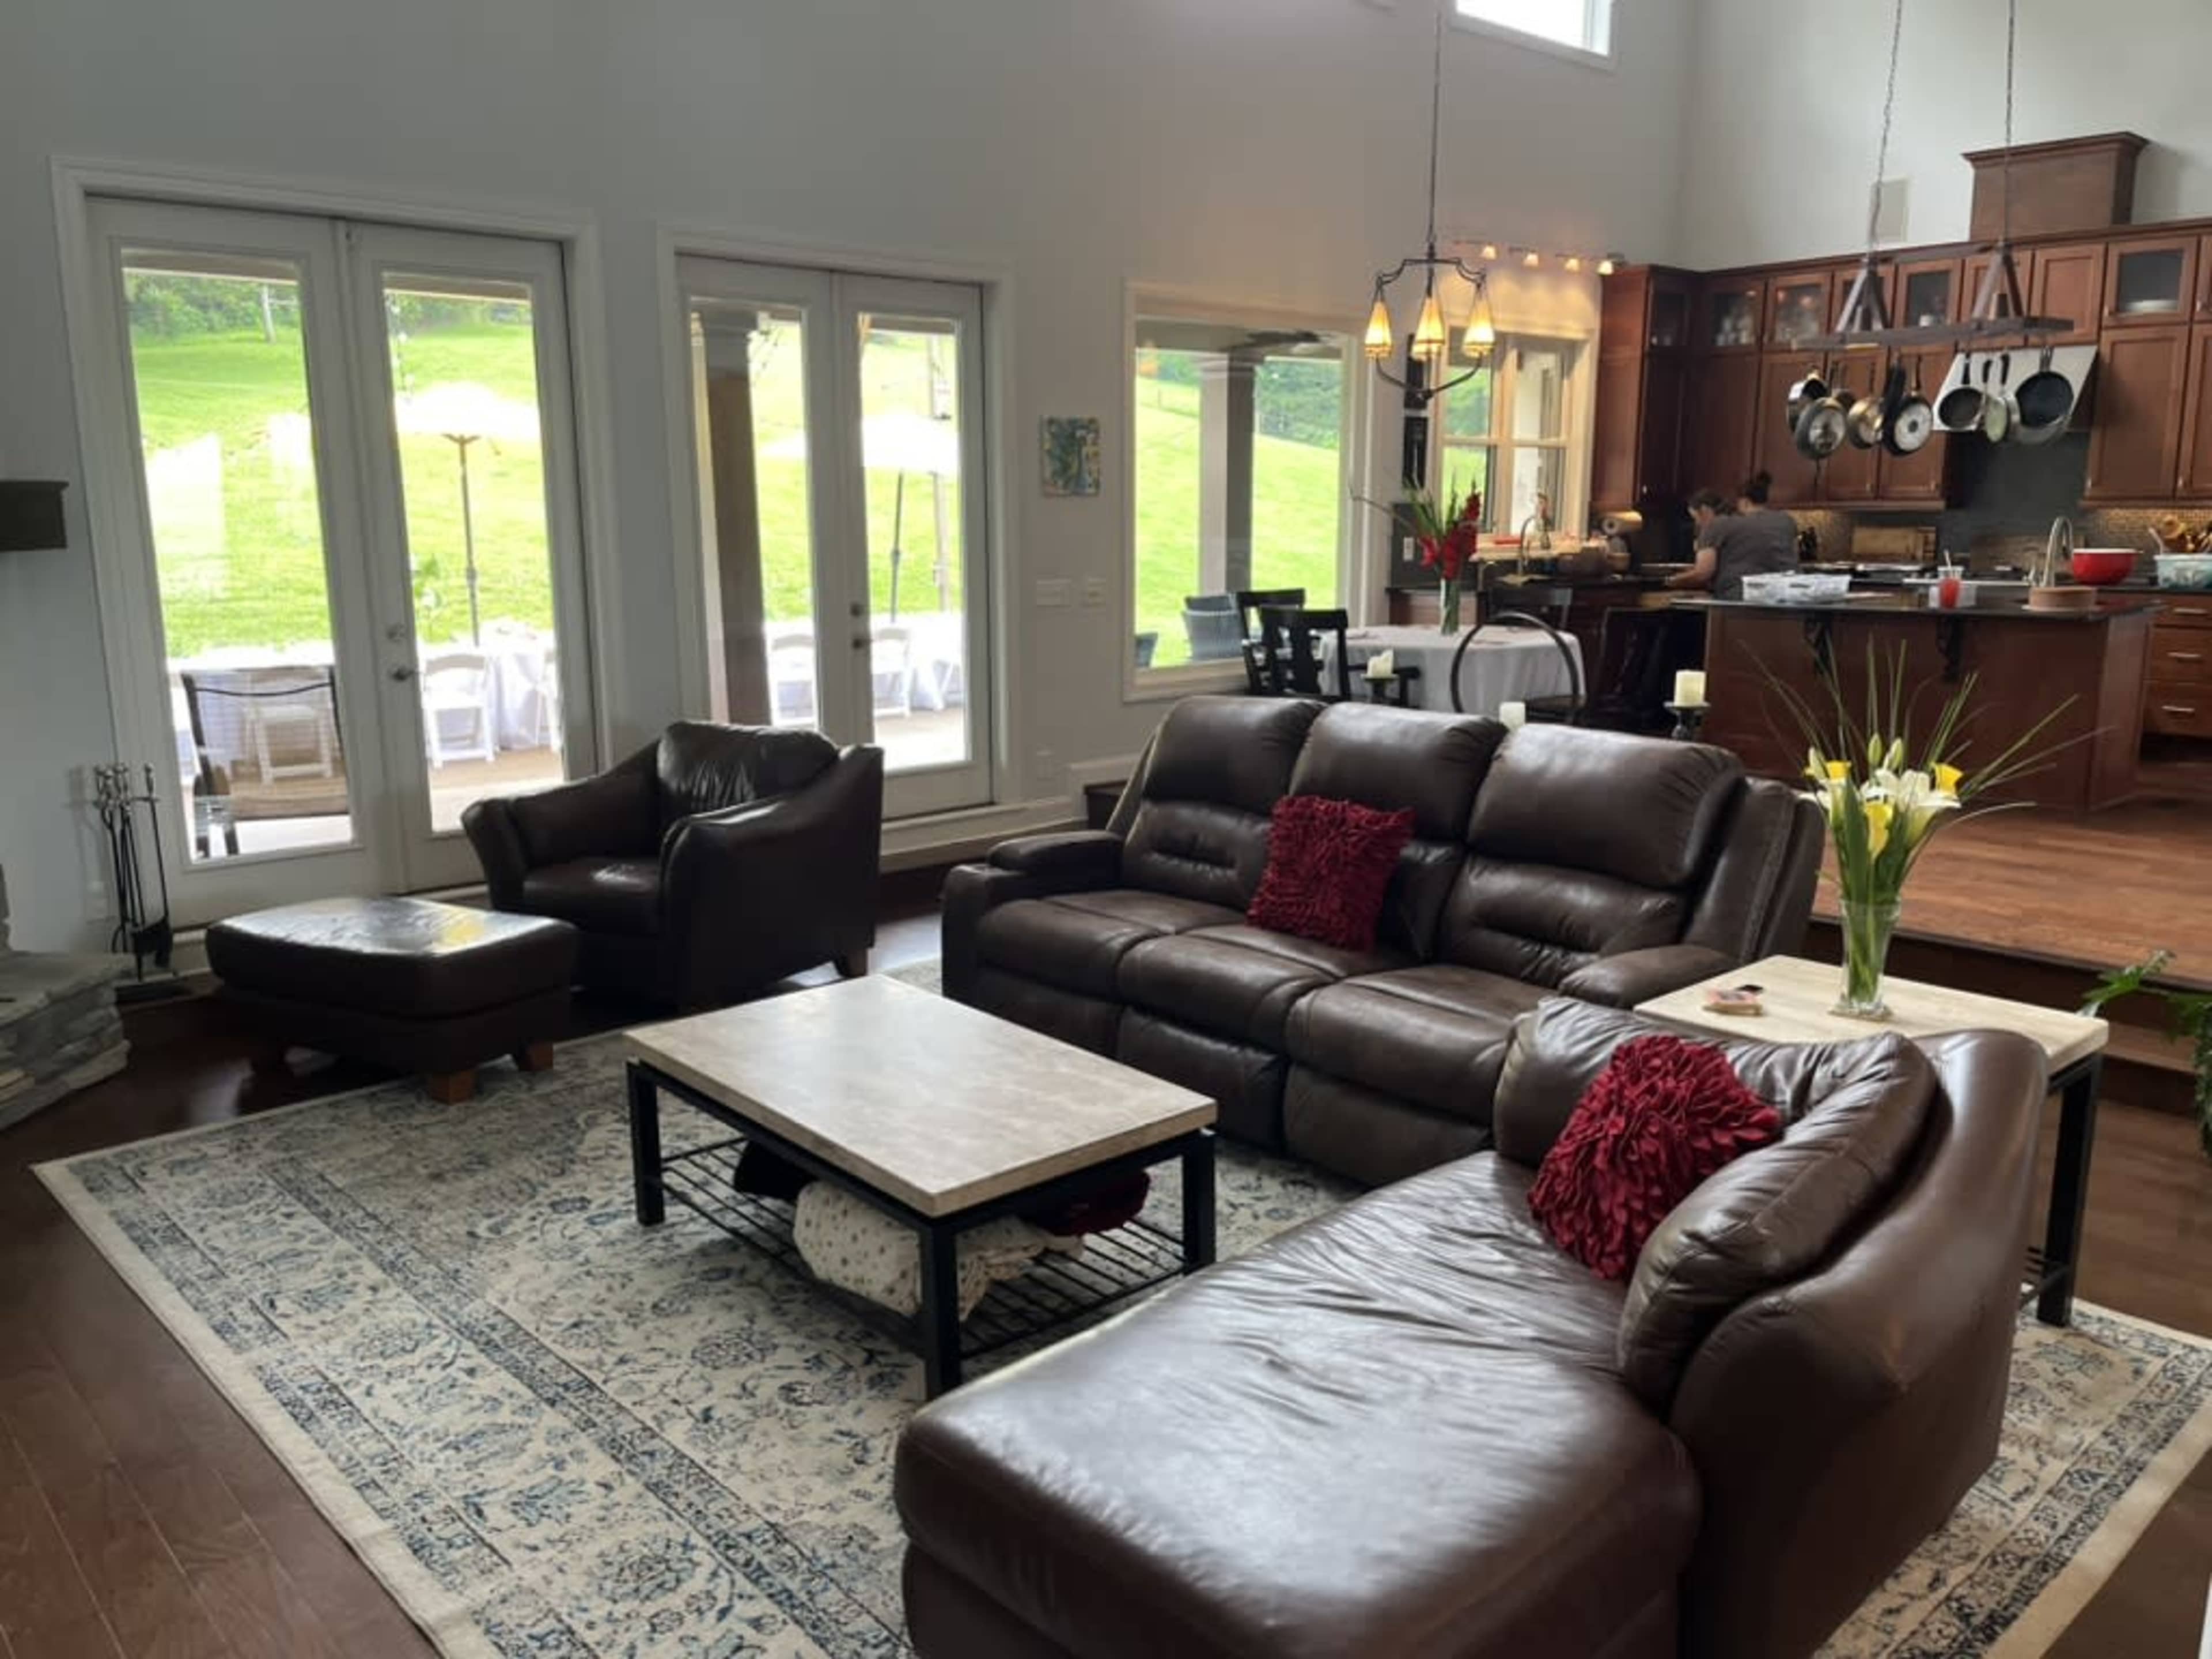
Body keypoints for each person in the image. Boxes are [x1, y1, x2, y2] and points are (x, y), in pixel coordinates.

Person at [1667, 472, 1801, 600]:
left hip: (1740, 598)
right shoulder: (1787, 520)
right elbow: (1794, 557)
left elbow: (1703, 574)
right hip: (1791, 594)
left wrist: (1671, 581)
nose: (1697, 523)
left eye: (1696, 518)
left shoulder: (1717, 525)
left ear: (1744, 502)